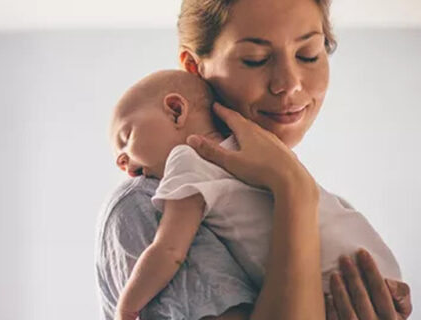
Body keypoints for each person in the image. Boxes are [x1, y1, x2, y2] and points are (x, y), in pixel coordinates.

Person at [95, 0, 413, 319]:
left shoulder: (319, 207)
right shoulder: (144, 204)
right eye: (255, 59)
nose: (289, 84)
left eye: (309, 53)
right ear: (194, 67)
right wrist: (294, 191)